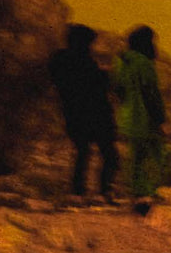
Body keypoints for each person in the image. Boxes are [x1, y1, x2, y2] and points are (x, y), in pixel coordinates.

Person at [48, 24, 119, 200]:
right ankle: (104, 191)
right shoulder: (83, 61)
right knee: (109, 154)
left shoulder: (60, 60)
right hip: (95, 114)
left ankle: (79, 191)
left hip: (73, 114)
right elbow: (96, 85)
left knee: (82, 152)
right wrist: (104, 76)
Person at [113, 25, 166, 198]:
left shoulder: (121, 62)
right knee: (156, 153)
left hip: (127, 116)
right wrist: (160, 117)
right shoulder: (145, 65)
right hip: (144, 118)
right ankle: (147, 192)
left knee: (137, 156)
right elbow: (152, 94)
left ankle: (139, 191)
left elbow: (118, 89)